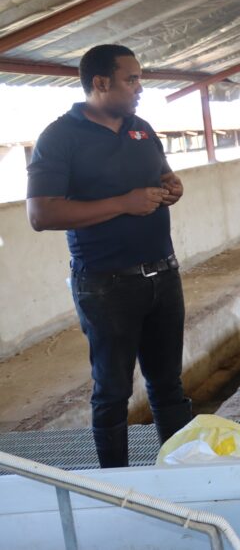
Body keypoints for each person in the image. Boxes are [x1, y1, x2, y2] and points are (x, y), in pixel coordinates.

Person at [26, 44, 192, 467]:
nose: (140, 88)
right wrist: (124, 203)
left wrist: (172, 186)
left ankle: (184, 473)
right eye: (131, 79)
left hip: (163, 273)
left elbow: (161, 172)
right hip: (106, 282)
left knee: (168, 385)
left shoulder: (141, 127)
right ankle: (117, 483)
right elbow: (41, 213)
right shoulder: (60, 136)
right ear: (100, 83)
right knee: (113, 391)